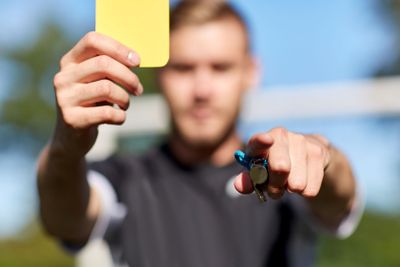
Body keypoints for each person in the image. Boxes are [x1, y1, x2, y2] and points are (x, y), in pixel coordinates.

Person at [37, 1, 363, 267]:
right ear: (160, 73)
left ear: (251, 72)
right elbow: (63, 219)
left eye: (220, 68)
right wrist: (66, 146)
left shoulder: (284, 171)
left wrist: (323, 157)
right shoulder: (124, 178)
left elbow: (339, 197)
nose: (202, 90)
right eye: (184, 68)